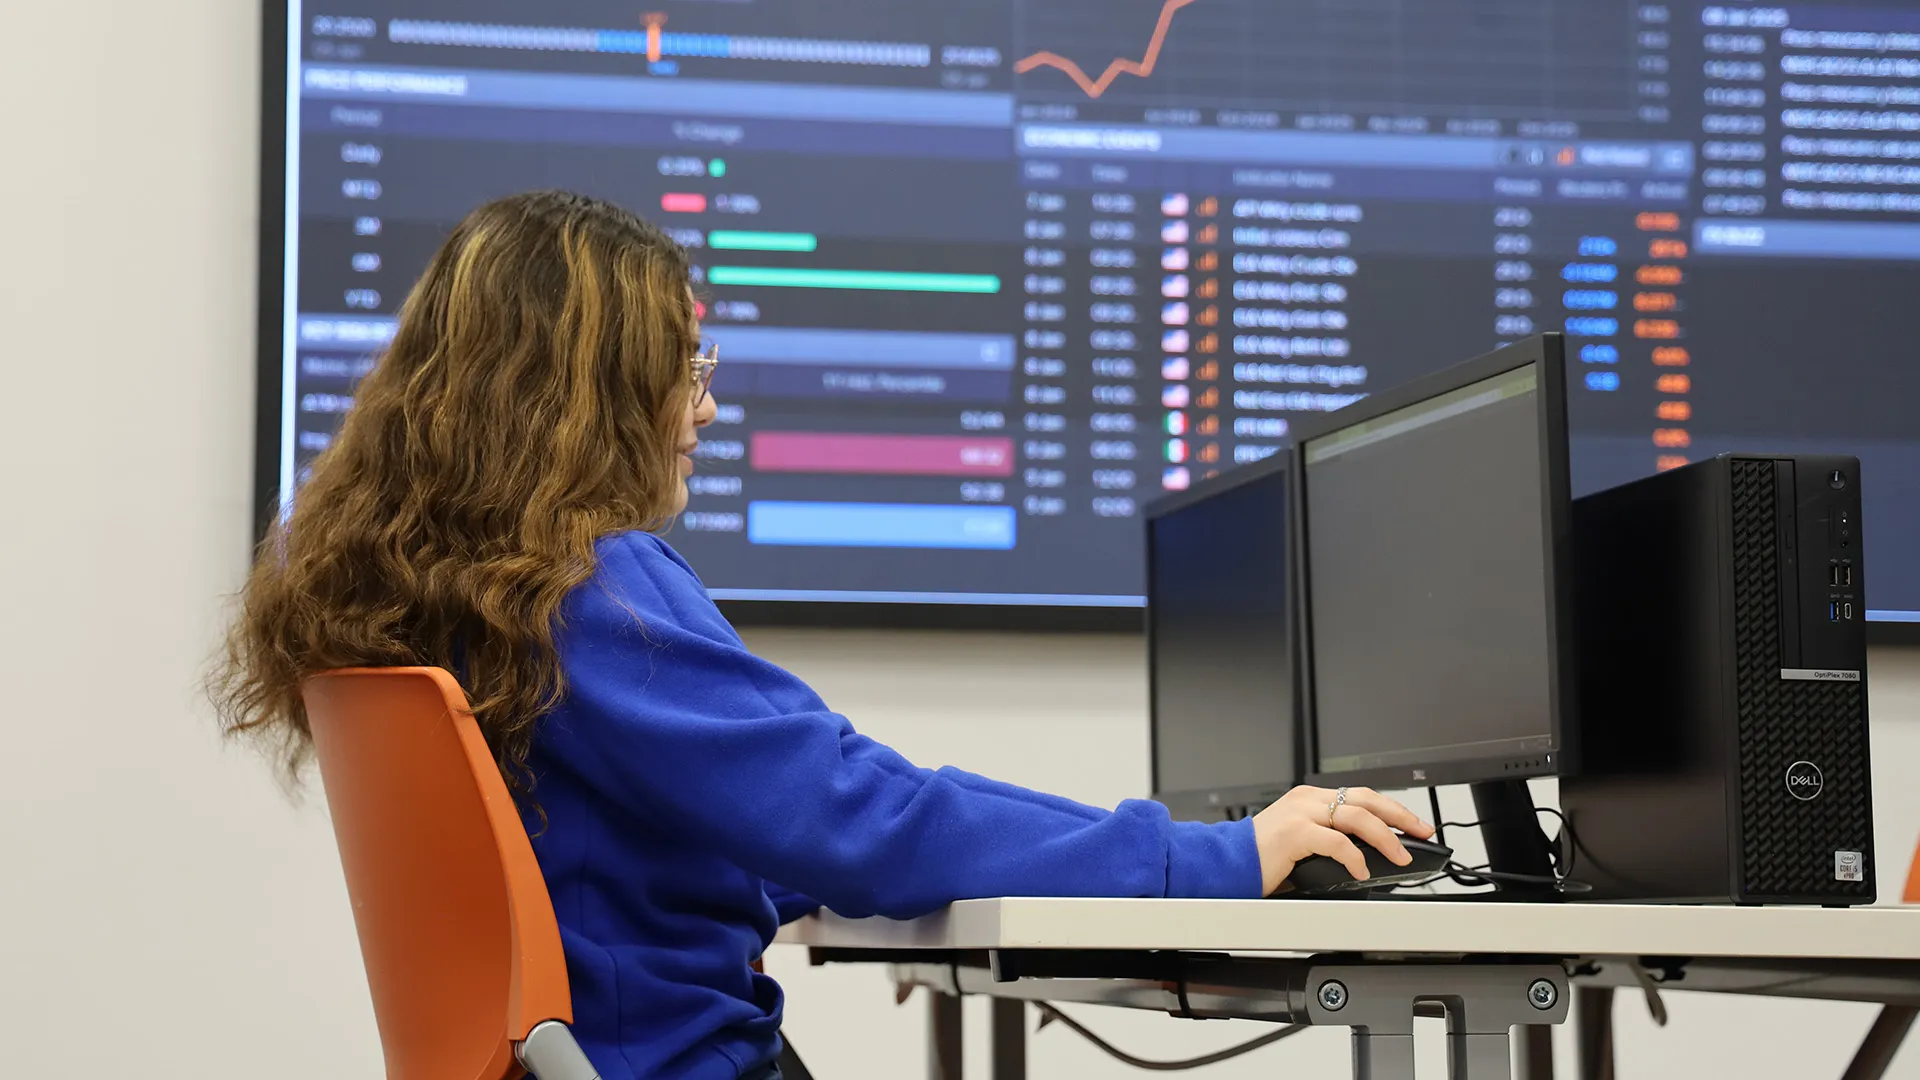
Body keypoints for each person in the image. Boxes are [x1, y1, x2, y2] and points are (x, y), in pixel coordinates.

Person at [214, 190, 1432, 1080]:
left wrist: (832, 852)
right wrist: (1213, 858)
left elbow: (674, 835)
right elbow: (864, 814)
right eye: (685, 368)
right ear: (590, 394)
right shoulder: (589, 588)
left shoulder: (453, 595)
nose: (705, 406)